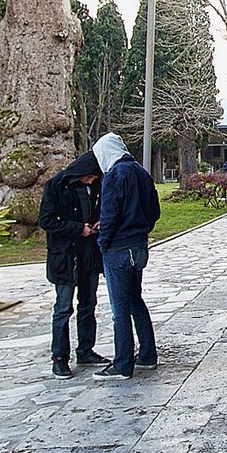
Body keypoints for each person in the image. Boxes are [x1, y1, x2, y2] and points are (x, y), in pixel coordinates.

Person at [93, 133, 161, 380]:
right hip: (139, 245)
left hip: (119, 248)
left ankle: (122, 363)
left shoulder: (114, 175)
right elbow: (154, 210)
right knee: (135, 300)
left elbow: (110, 214)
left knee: (119, 308)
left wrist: (103, 243)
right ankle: (147, 354)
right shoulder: (142, 172)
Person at [39, 148, 106, 377]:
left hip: (88, 255)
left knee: (88, 304)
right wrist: (78, 229)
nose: (91, 181)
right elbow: (47, 220)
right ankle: (59, 357)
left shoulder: (95, 187)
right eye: (89, 176)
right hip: (65, 256)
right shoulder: (56, 186)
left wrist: (96, 223)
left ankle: (86, 349)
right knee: (63, 307)